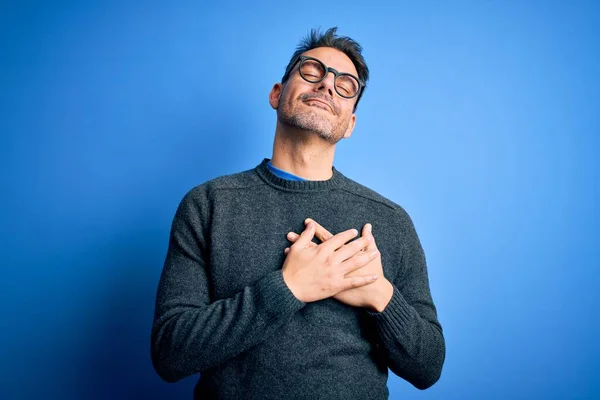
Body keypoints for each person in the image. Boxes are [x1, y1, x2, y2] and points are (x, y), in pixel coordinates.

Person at [151, 27, 445, 399]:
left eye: (345, 85)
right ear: (277, 94)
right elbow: (169, 353)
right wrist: (288, 288)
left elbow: (428, 367)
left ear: (350, 123)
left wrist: (380, 293)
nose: (326, 85)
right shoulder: (209, 204)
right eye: (312, 70)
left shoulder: (390, 221)